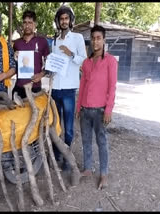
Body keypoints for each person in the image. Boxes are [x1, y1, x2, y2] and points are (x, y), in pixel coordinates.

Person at [76, 25, 118, 190]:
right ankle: (87, 169)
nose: (95, 41)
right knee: (86, 140)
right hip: (85, 109)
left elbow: (112, 87)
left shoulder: (110, 61)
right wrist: (78, 107)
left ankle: (104, 174)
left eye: (98, 38)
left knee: (102, 142)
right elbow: (83, 85)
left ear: (104, 40)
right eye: (93, 38)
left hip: (100, 111)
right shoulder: (86, 62)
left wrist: (108, 109)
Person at [51, 6, 87, 170]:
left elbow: (83, 60)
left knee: (69, 128)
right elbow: (54, 62)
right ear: (58, 22)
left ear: (71, 20)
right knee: (56, 125)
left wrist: (70, 53)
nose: (64, 21)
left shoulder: (78, 38)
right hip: (55, 88)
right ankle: (56, 155)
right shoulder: (55, 40)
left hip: (69, 89)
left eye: (66, 18)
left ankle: (67, 157)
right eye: (61, 19)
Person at [12, 10, 49, 99]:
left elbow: (49, 63)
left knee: (35, 112)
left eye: (30, 23)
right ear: (22, 25)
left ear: (35, 24)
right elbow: (13, 65)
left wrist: (41, 74)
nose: (27, 26)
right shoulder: (17, 43)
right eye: (25, 23)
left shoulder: (42, 42)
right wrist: (14, 57)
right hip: (19, 87)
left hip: (35, 88)